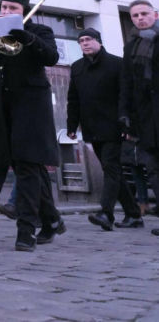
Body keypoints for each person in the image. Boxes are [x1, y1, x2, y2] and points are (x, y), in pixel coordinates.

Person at [0, 0, 63, 252]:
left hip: (30, 111)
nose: (6, 12)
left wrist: (25, 37)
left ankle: (25, 230)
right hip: (0, 110)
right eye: (3, 8)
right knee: (12, 166)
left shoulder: (40, 32)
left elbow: (51, 57)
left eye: (12, 9)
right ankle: (51, 220)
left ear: (24, 11)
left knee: (27, 167)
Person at [66, 27, 141, 231]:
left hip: (114, 126)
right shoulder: (77, 67)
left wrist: (129, 124)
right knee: (112, 170)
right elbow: (73, 99)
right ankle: (134, 214)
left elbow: (126, 96)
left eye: (89, 39)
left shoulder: (116, 64)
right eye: (81, 41)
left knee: (110, 168)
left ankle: (105, 213)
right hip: (91, 128)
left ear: (98, 41)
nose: (85, 43)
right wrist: (71, 125)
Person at [119, 0, 159, 234]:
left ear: (154, 14)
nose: (140, 18)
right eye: (135, 15)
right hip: (145, 119)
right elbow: (127, 82)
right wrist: (124, 114)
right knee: (153, 168)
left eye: (144, 13)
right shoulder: (131, 45)